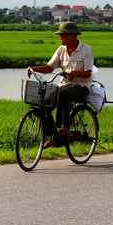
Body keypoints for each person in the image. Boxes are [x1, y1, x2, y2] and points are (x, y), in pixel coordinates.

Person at [27, 21, 94, 149]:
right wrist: (34, 69)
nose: (60, 38)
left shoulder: (86, 50)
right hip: (64, 85)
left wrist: (75, 73)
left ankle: (65, 127)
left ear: (72, 36)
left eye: (62, 35)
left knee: (63, 94)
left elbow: (88, 74)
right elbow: (49, 67)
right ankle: (53, 134)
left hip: (81, 87)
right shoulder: (61, 50)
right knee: (44, 103)